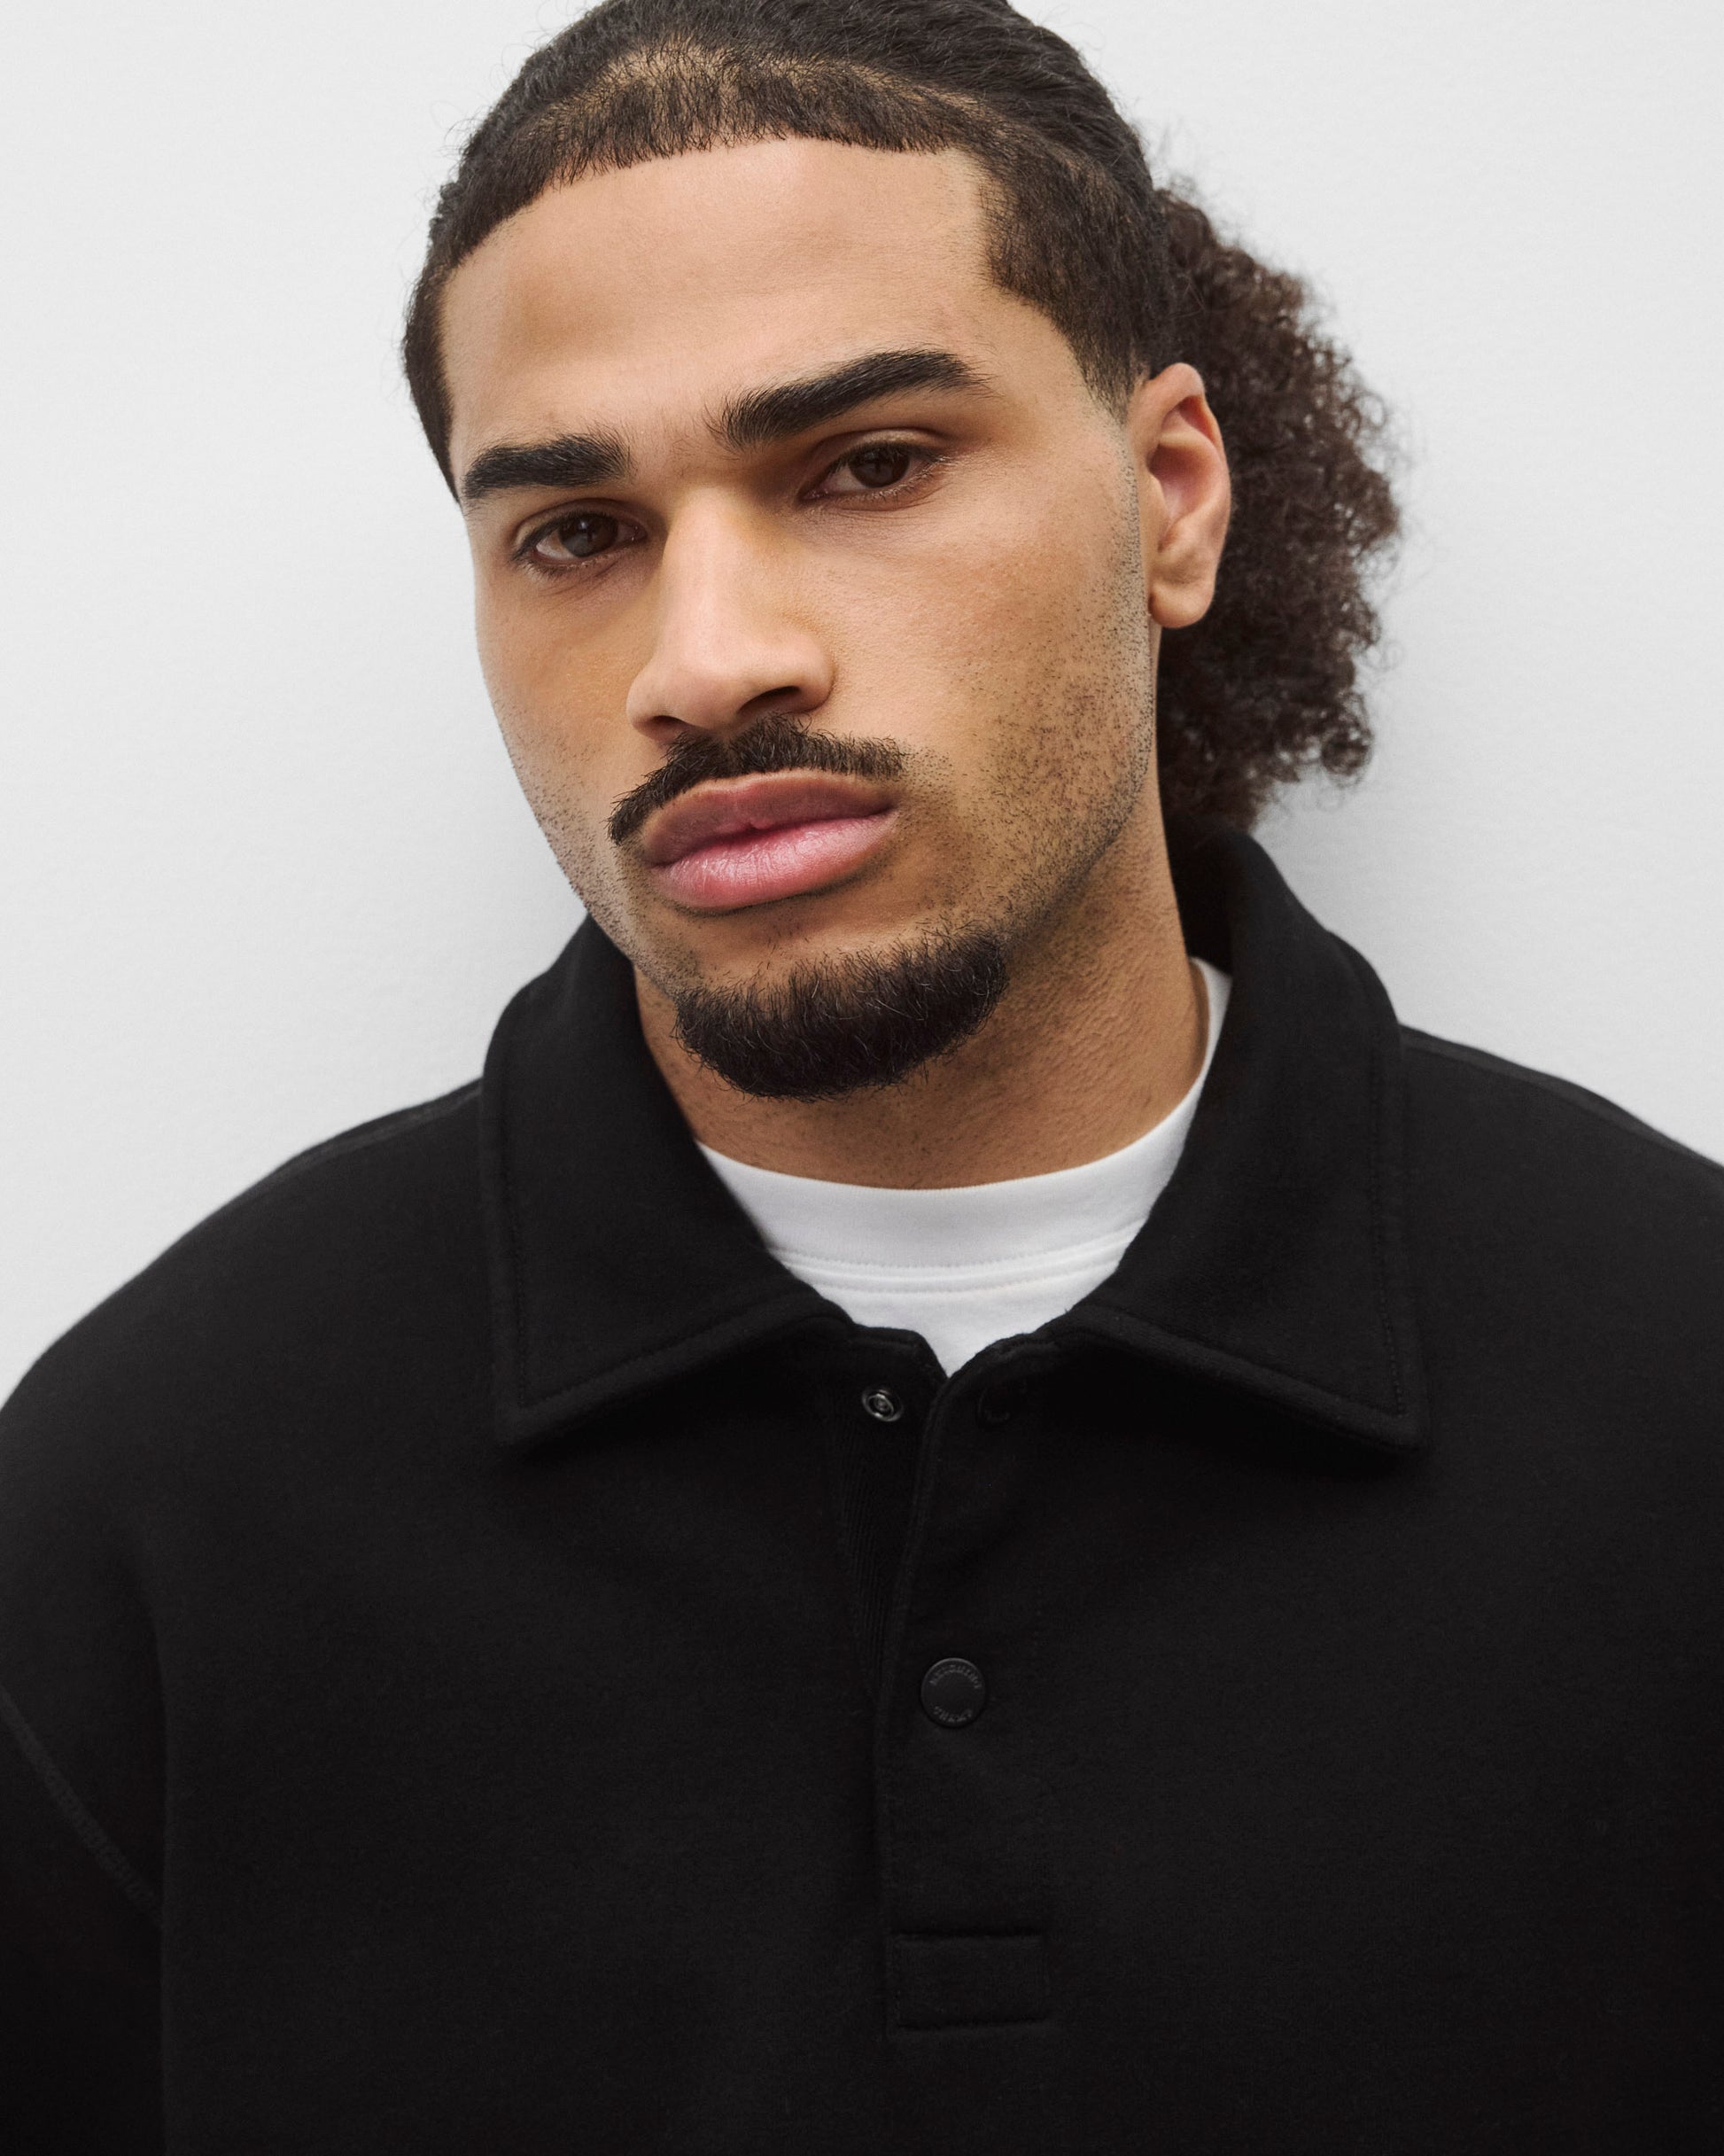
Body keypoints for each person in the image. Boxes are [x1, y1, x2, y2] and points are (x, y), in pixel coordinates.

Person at [3, 0, 1720, 2147]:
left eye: (868, 465)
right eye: (577, 530)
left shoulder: (1676, 1386)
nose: (708, 659)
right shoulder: (146, 1496)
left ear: (1170, 498)